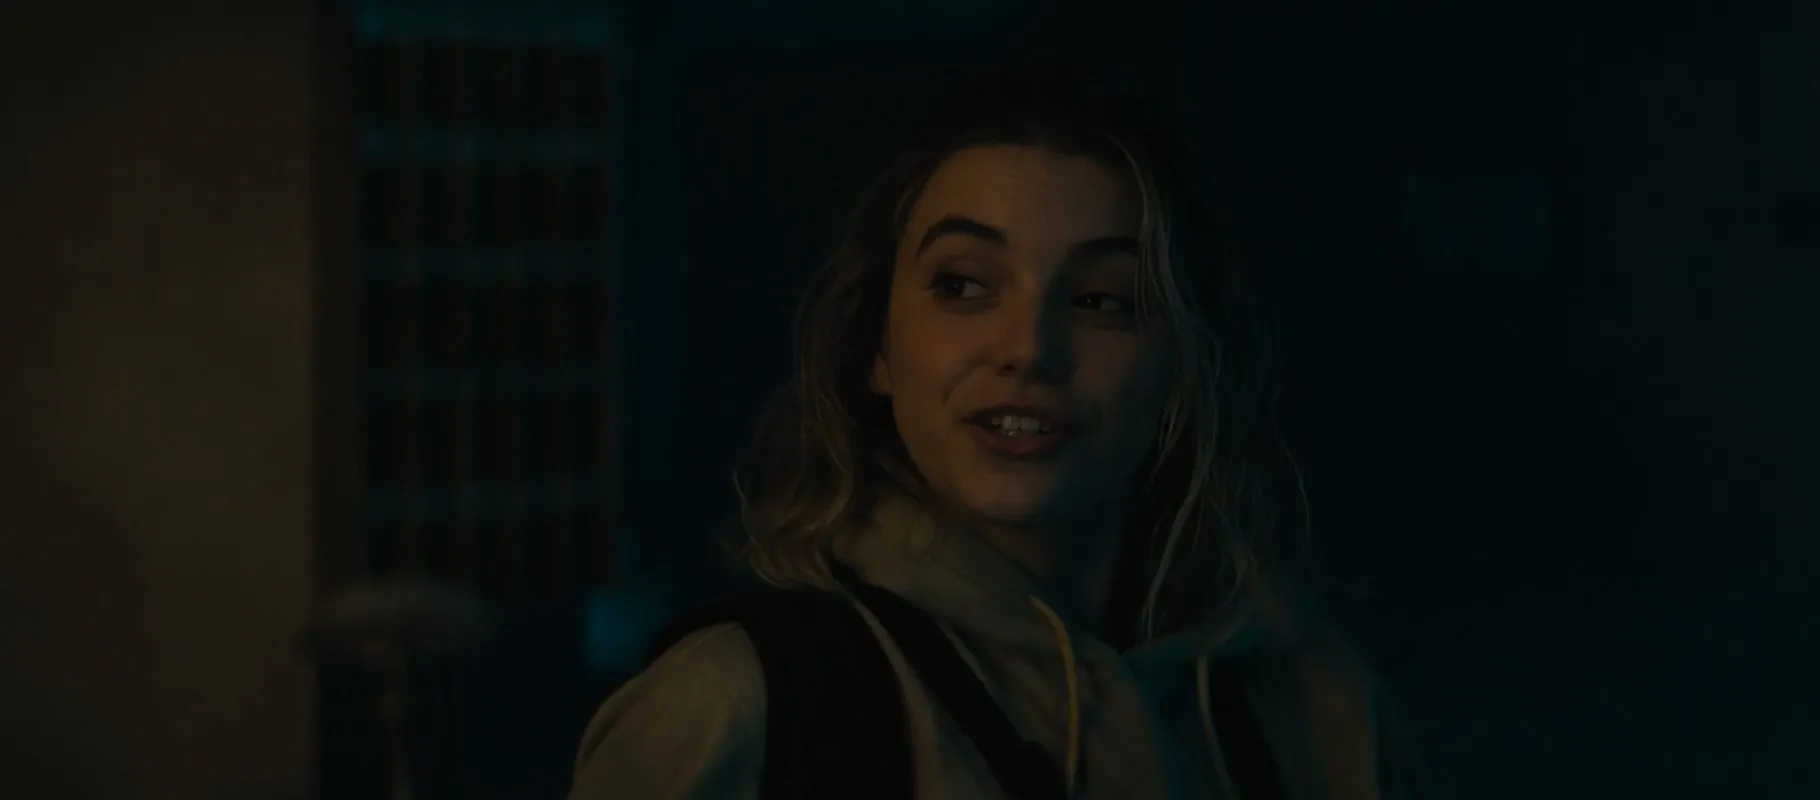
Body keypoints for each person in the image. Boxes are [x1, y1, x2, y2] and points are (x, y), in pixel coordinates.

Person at [569, 68, 1426, 799]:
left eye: (1100, 299)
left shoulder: (1316, 715)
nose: (1028, 349)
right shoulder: (734, 713)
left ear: (1181, 368)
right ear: (877, 347)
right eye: (965, 285)